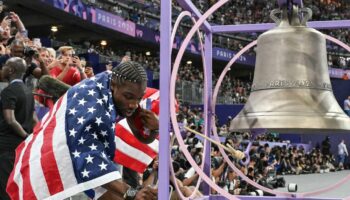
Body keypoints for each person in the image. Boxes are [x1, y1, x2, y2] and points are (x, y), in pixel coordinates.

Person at [7, 61, 159, 200]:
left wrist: (154, 129)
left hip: (82, 153)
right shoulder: (92, 108)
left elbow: (144, 136)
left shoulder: (120, 85)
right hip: (57, 157)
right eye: (129, 97)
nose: (133, 104)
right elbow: (89, 160)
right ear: (113, 84)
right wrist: (131, 193)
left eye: (139, 99)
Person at [0, 57, 36, 200]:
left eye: (4, 66)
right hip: (20, 148)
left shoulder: (9, 91)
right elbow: (34, 119)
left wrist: (26, 135)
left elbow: (10, 120)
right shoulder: (28, 91)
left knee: (4, 188)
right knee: (15, 185)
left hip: (6, 147)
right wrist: (33, 136)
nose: (2, 68)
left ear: (11, 70)